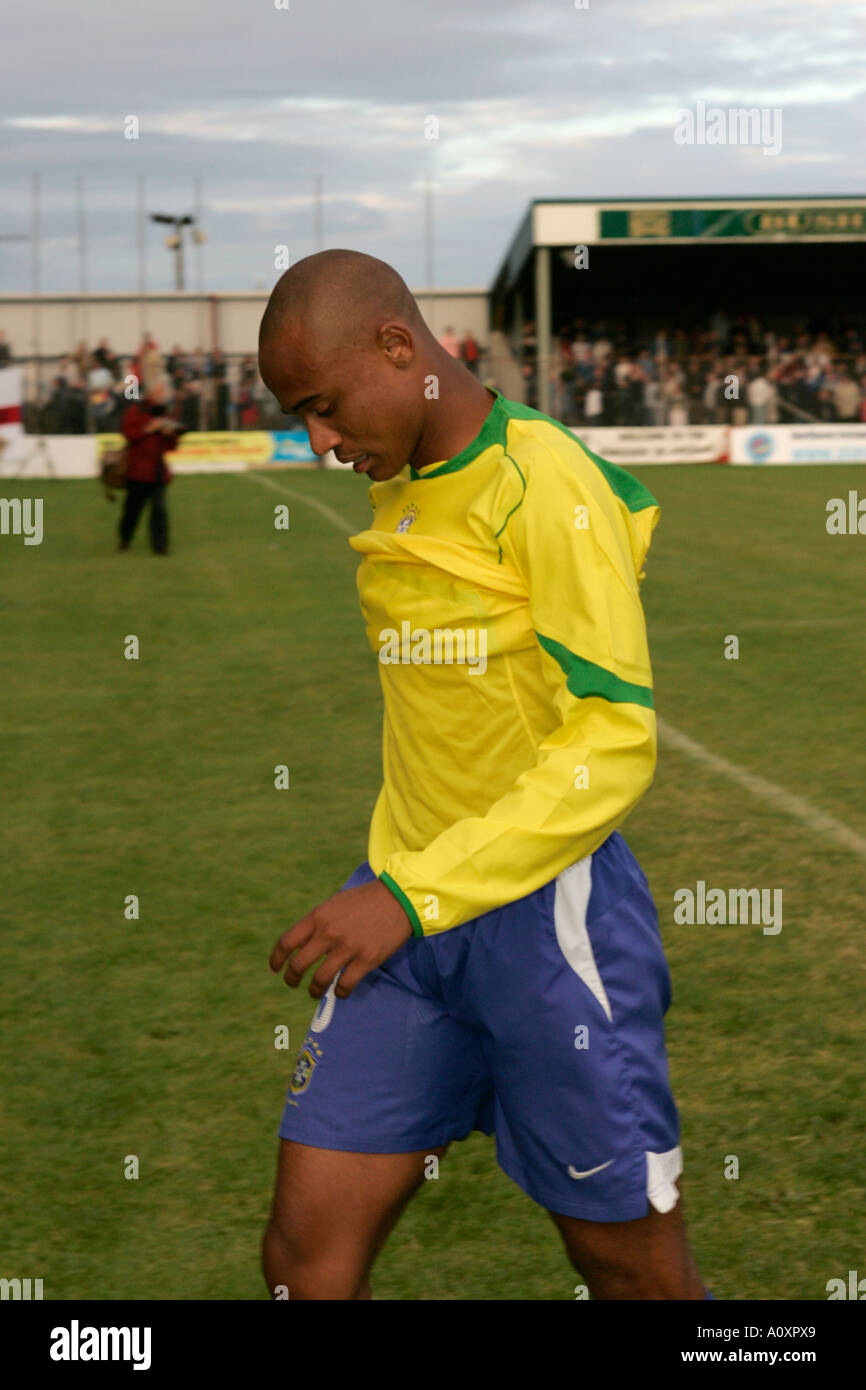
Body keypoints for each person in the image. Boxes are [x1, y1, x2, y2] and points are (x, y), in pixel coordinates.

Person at [257, 248, 711, 1303]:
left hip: (546, 930)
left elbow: (612, 739)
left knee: (630, 1271)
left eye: (323, 408)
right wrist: (406, 894)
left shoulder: (544, 481)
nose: (318, 442)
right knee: (301, 1264)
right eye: (300, 419)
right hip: (405, 925)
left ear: (397, 346)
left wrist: (410, 897)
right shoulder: (403, 473)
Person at [117, 377, 186, 554]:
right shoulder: (136, 410)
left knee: (159, 510)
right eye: (159, 392)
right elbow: (127, 434)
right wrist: (148, 429)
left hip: (157, 472)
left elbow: (171, 447)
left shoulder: (165, 414)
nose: (162, 395)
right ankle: (124, 538)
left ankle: (160, 548)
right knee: (132, 511)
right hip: (138, 472)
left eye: (163, 392)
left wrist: (170, 434)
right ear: (150, 393)